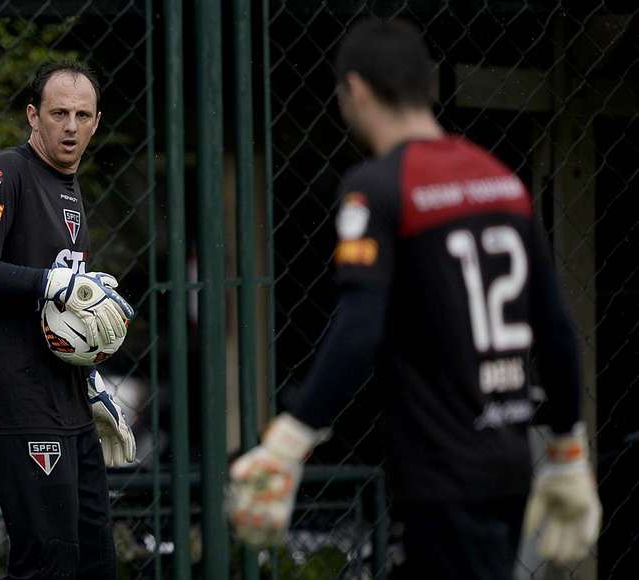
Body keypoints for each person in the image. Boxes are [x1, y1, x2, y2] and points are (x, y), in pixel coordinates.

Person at [227, 18, 601, 579]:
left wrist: (288, 440)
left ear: (354, 90)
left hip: (440, 469)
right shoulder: (502, 181)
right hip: (508, 459)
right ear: (426, 86)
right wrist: (568, 448)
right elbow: (554, 328)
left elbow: (358, 329)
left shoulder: (378, 186)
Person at [0, 61, 136, 580]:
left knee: (96, 562)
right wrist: (48, 282)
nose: (70, 126)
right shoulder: (7, 173)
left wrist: (92, 382)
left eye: (82, 114)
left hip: (69, 406)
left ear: (96, 122)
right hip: (18, 402)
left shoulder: (70, 189)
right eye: (58, 114)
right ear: (34, 116)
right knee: (47, 565)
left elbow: (63, 319)